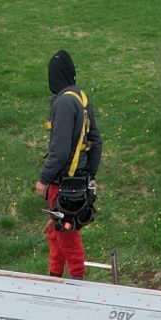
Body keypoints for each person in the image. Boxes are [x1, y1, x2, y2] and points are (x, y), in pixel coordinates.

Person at [37, 50, 101, 279]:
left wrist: (44, 178)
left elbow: (60, 149)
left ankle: (77, 281)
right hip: (79, 182)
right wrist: (89, 176)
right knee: (57, 232)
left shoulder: (64, 103)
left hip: (63, 182)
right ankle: (54, 275)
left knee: (66, 235)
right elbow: (96, 141)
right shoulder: (82, 99)